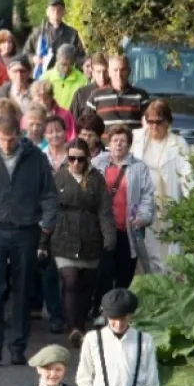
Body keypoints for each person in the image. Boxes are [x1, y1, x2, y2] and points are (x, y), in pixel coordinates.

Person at [0, 112, 59, 367]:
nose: (6, 144)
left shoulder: (36, 158)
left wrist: (48, 224)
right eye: (2, 140)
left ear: (19, 136)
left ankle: (18, 346)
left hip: (25, 230)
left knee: (22, 291)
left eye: (11, 140)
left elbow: (49, 194)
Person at [52, 140, 116, 347]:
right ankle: (74, 328)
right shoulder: (59, 177)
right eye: (72, 158)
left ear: (88, 158)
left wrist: (109, 237)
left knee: (86, 285)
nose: (76, 163)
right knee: (69, 281)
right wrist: (43, 241)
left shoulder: (96, 180)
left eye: (80, 159)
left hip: (90, 237)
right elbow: (49, 208)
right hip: (64, 235)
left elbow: (104, 211)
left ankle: (80, 322)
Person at [131, 100, 194, 274]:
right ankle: (150, 277)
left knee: (168, 242)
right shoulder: (137, 139)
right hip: (144, 201)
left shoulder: (178, 142)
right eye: (150, 121)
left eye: (159, 122)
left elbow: (187, 172)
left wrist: (190, 198)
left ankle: (169, 278)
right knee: (147, 243)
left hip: (167, 199)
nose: (154, 126)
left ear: (168, 122)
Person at [91, 126, 154, 295]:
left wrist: (143, 217)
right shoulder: (97, 164)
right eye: (115, 140)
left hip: (127, 229)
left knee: (124, 273)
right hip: (102, 230)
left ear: (129, 144)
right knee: (103, 272)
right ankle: (100, 308)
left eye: (123, 141)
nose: (118, 144)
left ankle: (119, 311)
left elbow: (147, 196)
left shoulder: (139, 167)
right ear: (108, 143)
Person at [76, 289, 159, 386]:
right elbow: (84, 377)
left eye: (123, 318)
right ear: (106, 316)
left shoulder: (144, 340)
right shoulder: (92, 339)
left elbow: (152, 382)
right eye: (114, 318)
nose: (119, 324)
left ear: (130, 315)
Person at [26, 0, 85, 79]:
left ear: (63, 12)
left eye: (59, 9)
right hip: (42, 76)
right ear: (47, 12)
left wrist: (69, 62)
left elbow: (81, 57)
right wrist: (33, 59)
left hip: (65, 76)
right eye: (53, 9)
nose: (56, 12)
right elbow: (26, 53)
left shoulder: (72, 33)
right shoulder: (38, 33)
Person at [85, 55, 149, 130]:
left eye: (123, 70)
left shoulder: (141, 96)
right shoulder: (96, 96)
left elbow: (148, 127)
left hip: (133, 141)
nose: (119, 75)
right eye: (115, 70)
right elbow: (87, 127)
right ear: (109, 72)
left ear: (129, 72)